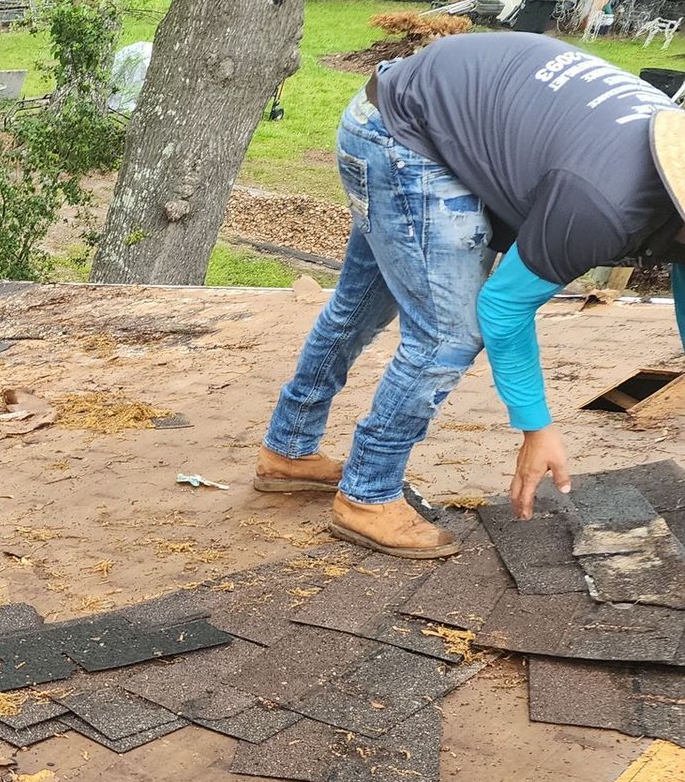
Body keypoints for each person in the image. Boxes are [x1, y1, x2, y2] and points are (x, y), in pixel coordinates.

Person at [256, 32, 685, 558]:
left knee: (360, 305)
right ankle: (366, 497)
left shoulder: (672, 154)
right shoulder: (603, 206)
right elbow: (504, 306)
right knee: (449, 334)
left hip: (418, 107)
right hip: (405, 137)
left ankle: (288, 452)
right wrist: (536, 427)